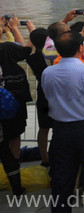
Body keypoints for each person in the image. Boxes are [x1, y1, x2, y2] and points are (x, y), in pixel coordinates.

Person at [42, 23, 84, 213]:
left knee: (61, 180)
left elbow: (49, 95)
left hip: (61, 130)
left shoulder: (48, 72)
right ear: (81, 48)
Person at [0, 15, 31, 197]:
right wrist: (16, 28)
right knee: (13, 143)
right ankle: (17, 184)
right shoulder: (16, 67)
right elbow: (25, 50)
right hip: (15, 113)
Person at [25, 25, 53, 167]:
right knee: (60, 127)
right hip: (55, 93)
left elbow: (28, 46)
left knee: (43, 129)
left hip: (42, 93)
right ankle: (58, 154)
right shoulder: (54, 55)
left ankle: (44, 158)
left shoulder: (32, 58)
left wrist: (32, 32)